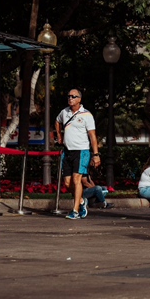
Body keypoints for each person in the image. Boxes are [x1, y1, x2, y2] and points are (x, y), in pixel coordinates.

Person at [54, 89, 100, 220]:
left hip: (81, 151)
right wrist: (58, 134)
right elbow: (57, 121)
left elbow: (93, 136)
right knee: (68, 183)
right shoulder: (64, 112)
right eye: (68, 96)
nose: (70, 98)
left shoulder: (86, 115)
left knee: (76, 180)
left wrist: (95, 154)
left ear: (79, 99)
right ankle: (81, 201)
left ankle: (74, 211)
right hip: (67, 151)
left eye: (73, 96)